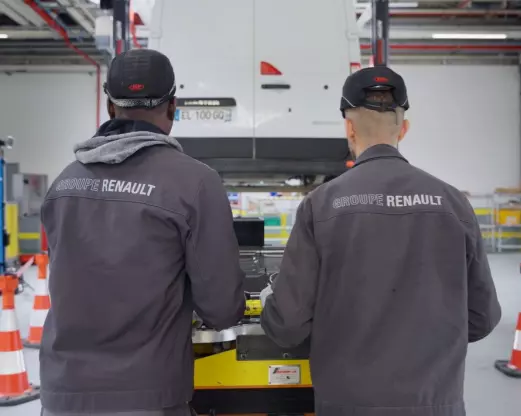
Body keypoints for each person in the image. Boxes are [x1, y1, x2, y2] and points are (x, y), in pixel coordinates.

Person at [259, 66, 501, 416]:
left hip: (348, 404)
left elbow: (288, 324)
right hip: (434, 403)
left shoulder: (321, 205)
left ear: (349, 127)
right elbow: (482, 317)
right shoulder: (452, 202)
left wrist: (270, 300)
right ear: (404, 128)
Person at [40, 49, 245, 416]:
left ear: (109, 107)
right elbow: (222, 309)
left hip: (64, 395)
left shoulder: (64, 184)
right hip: (148, 396)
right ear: (172, 107)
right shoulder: (195, 182)